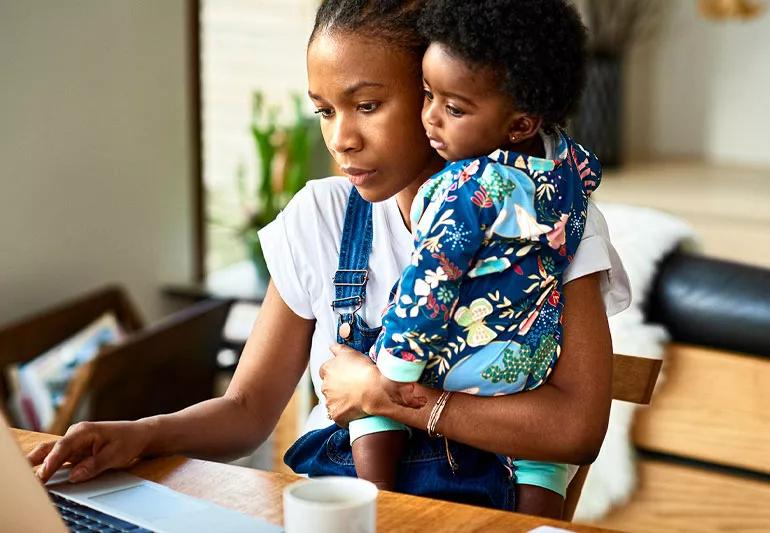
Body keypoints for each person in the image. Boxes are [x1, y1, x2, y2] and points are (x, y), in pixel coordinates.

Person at [29, 0, 629, 520]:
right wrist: (140, 434)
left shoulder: (547, 222)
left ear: (436, 86)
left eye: (367, 105)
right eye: (325, 110)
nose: (341, 138)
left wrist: (380, 396)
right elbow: (246, 409)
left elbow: (574, 429)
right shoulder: (321, 217)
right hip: (334, 507)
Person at [344, 0, 602, 517]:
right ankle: (535, 511)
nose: (430, 118)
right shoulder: (573, 168)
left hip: (452, 368)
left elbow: (429, 281)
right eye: (426, 95)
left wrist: (393, 374)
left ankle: (376, 501)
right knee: (541, 467)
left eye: (454, 109)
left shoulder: (464, 188)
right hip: (526, 377)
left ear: (519, 122)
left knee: (368, 394)